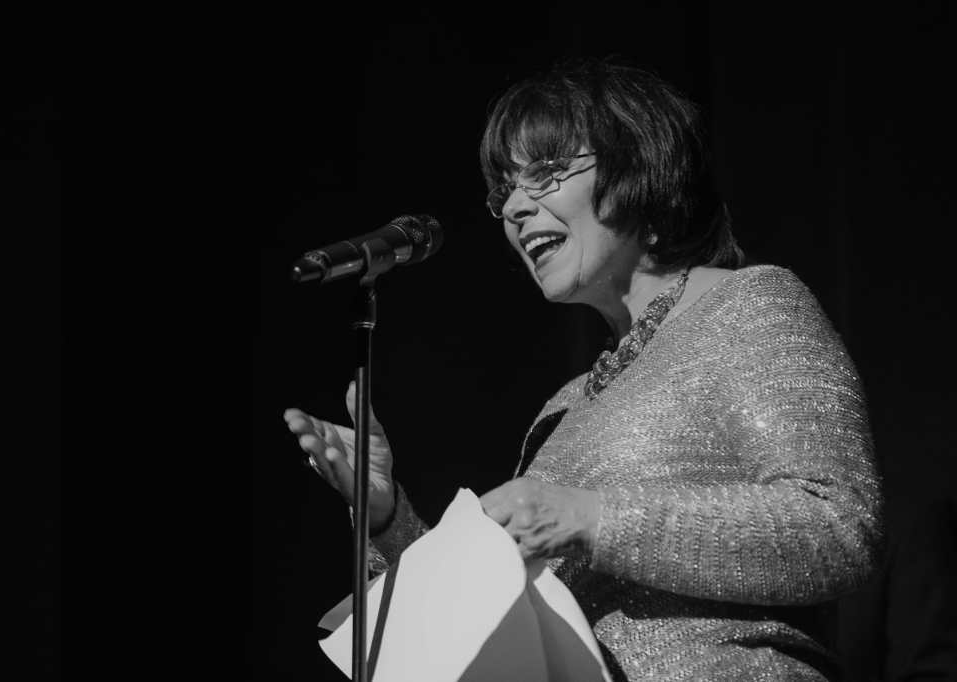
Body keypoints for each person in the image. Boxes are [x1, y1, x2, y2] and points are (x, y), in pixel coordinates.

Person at [283, 58, 883, 680]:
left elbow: (841, 527)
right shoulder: (565, 407)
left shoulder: (748, 305)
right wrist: (384, 516)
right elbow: (493, 616)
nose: (515, 207)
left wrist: (587, 518)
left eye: (544, 173)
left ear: (637, 166)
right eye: (504, 190)